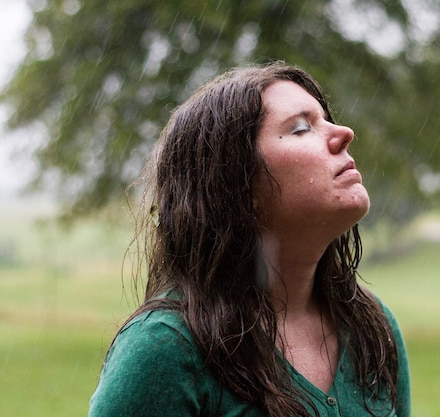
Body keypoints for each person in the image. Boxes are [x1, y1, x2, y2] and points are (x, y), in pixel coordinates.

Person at [88, 62, 411, 417]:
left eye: (327, 119)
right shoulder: (166, 349)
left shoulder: (372, 326)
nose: (344, 133)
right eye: (302, 129)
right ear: (237, 186)